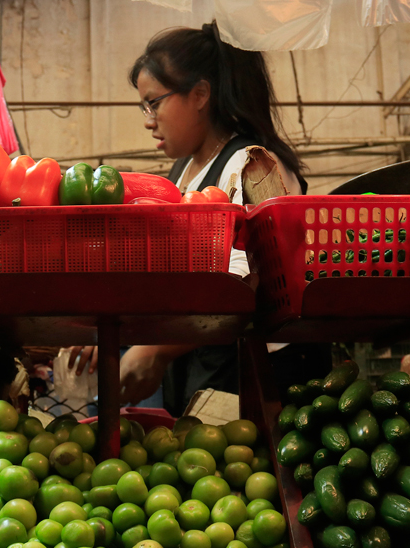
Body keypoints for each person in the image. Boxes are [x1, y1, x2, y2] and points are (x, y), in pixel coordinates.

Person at [69, 21, 323, 413]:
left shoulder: (252, 165)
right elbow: (170, 277)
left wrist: (153, 349)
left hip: (254, 369)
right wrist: (114, 325)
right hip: (201, 359)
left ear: (200, 94)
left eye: (154, 102)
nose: (147, 118)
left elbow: (247, 284)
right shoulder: (184, 174)